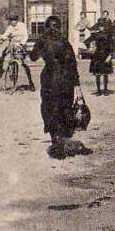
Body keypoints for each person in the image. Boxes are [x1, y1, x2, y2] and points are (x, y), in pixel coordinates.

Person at [29, 15, 81, 160]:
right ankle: (62, 139)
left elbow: (33, 57)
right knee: (65, 107)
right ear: (59, 27)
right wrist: (76, 82)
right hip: (66, 79)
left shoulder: (42, 40)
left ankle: (54, 139)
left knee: (49, 107)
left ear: (46, 27)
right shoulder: (65, 42)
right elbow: (72, 62)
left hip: (50, 78)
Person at [0, 14, 34, 90]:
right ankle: (1, 70)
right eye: (10, 21)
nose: (12, 22)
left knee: (23, 63)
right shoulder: (10, 27)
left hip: (21, 45)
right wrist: (2, 40)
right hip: (12, 44)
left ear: (16, 20)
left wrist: (21, 44)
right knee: (2, 55)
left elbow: (25, 36)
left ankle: (31, 82)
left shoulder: (22, 26)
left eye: (13, 20)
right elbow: (5, 35)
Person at [87, 29, 113, 95]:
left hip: (105, 55)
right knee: (98, 74)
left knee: (105, 74)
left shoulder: (108, 36)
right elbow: (87, 42)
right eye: (100, 26)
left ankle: (105, 89)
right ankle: (98, 90)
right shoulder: (94, 36)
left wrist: (110, 56)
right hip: (97, 56)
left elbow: (111, 47)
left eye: (102, 26)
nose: (101, 28)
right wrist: (91, 48)